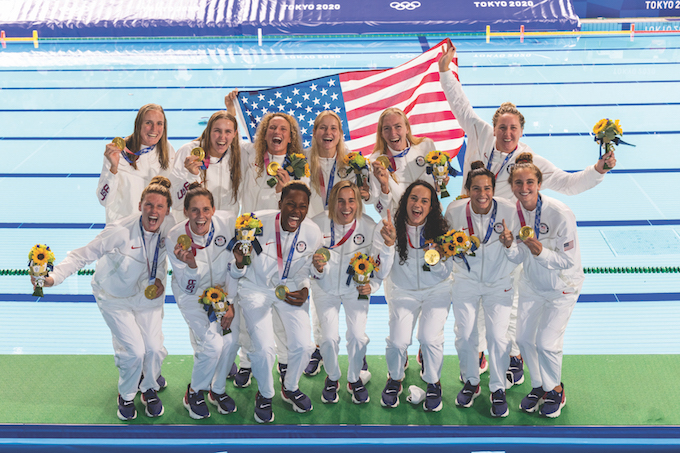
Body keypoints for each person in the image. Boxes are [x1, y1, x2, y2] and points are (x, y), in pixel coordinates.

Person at [438, 42, 615, 386]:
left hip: (504, 238)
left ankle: (514, 356)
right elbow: (459, 103)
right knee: (468, 293)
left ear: (521, 132)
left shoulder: (530, 163)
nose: (506, 134)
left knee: (510, 299)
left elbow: (567, 183)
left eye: (513, 129)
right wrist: (446, 69)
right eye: (502, 128)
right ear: (494, 127)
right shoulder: (479, 132)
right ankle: (476, 352)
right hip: (468, 225)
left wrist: (599, 168)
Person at [33, 177, 174, 420]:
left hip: (147, 294)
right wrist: (52, 278)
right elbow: (81, 256)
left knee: (153, 348)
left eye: (160, 206)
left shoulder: (170, 229)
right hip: (113, 296)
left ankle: (148, 386)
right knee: (134, 351)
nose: (154, 211)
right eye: (149, 205)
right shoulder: (119, 231)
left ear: (168, 210)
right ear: (140, 205)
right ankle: (127, 394)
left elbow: (162, 259)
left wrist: (160, 277)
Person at [229, 181, 322, 423]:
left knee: (304, 346)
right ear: (280, 203)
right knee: (264, 348)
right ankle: (265, 394)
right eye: (290, 204)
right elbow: (235, 269)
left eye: (302, 206)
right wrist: (239, 263)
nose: (296, 211)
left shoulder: (312, 233)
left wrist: (304, 288)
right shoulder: (253, 224)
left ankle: (289, 386)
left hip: (289, 288)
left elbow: (304, 270)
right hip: (255, 288)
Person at [499, 153, 583, 418]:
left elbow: (568, 261)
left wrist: (540, 251)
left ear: (539, 183)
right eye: (518, 183)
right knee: (523, 339)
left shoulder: (560, 214)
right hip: (533, 285)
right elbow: (516, 257)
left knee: (546, 343)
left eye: (530, 183)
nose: (524, 189)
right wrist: (508, 245)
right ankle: (539, 386)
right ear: (512, 185)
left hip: (562, 287)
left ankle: (556, 389)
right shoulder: (512, 213)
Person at [444, 162, 520, 418]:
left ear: (493, 189)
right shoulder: (454, 210)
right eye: (476, 188)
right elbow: (445, 247)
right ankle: (471, 382)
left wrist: (510, 245)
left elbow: (519, 255)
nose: (482, 194)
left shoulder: (509, 210)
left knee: (498, 339)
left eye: (487, 188)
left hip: (499, 284)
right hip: (465, 282)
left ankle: (498, 388)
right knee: (465, 336)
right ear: (467, 189)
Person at [310, 181, 395, 404]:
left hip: (356, 289)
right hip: (325, 288)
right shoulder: (316, 224)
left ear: (357, 203)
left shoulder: (370, 226)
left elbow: (379, 263)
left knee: (357, 337)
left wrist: (373, 285)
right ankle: (333, 377)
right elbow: (304, 260)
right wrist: (316, 269)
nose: (346, 207)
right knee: (328, 338)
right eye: (340, 201)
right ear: (332, 202)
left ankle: (354, 377)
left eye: (351, 201)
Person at [303, 111, 370, 377]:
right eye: (323, 128)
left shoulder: (353, 162)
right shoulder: (303, 160)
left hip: (345, 232)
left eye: (333, 128)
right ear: (315, 131)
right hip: (314, 229)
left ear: (340, 134)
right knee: (320, 289)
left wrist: (368, 190)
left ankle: (357, 352)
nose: (328, 133)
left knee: (352, 290)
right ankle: (320, 346)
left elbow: (368, 194)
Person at [167, 183, 241, 419]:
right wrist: (190, 265)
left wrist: (228, 301)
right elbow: (187, 286)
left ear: (213, 209)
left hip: (221, 292)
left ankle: (216, 390)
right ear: (186, 212)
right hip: (191, 295)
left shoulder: (227, 223)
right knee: (212, 346)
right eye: (195, 211)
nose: (201, 216)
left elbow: (233, 267)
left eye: (206, 210)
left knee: (231, 341)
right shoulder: (175, 238)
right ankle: (195, 392)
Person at [380, 181, 452, 412]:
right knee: (398, 340)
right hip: (403, 292)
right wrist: (389, 245)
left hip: (437, 290)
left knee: (429, 338)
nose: (418, 204)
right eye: (413, 198)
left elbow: (446, 272)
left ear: (431, 207)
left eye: (424, 201)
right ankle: (395, 378)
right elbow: (382, 271)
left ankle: (433, 381)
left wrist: (438, 257)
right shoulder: (391, 228)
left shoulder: (441, 231)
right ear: (405, 201)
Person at [97, 104, 175, 224]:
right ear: (138, 125)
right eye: (148, 123)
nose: (154, 129)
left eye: (159, 123)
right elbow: (104, 200)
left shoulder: (167, 150)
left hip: (154, 229)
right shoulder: (117, 152)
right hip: (123, 228)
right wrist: (113, 168)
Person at [171, 111, 244, 220]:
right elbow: (174, 201)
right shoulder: (188, 151)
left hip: (223, 230)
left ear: (235, 134)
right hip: (191, 229)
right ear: (209, 131)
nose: (222, 137)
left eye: (228, 131)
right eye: (217, 131)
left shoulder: (238, 155)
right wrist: (191, 177)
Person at [368, 108, 440, 218]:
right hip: (401, 223)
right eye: (386, 128)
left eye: (398, 126)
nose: (393, 133)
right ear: (381, 133)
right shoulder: (376, 162)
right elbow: (383, 210)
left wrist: (440, 184)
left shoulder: (426, 146)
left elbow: (436, 190)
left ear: (407, 128)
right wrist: (384, 187)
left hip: (431, 217)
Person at [240, 112, 310, 214]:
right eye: (272, 127)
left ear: (290, 138)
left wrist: (285, 192)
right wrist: (231, 109)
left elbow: (301, 207)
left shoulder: (298, 169)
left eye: (283, 129)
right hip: (247, 226)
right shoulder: (251, 154)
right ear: (264, 135)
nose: (277, 131)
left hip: (275, 228)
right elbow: (233, 140)